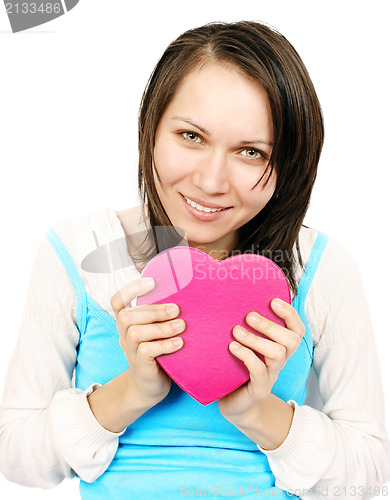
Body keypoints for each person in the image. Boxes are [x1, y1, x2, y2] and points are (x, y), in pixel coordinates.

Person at [0, 20, 389, 499]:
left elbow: (369, 474)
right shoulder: (79, 248)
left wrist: (258, 413)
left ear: (289, 162)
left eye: (251, 152)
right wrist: (134, 391)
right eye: (191, 136)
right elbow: (16, 457)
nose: (211, 181)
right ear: (152, 127)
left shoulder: (322, 268)